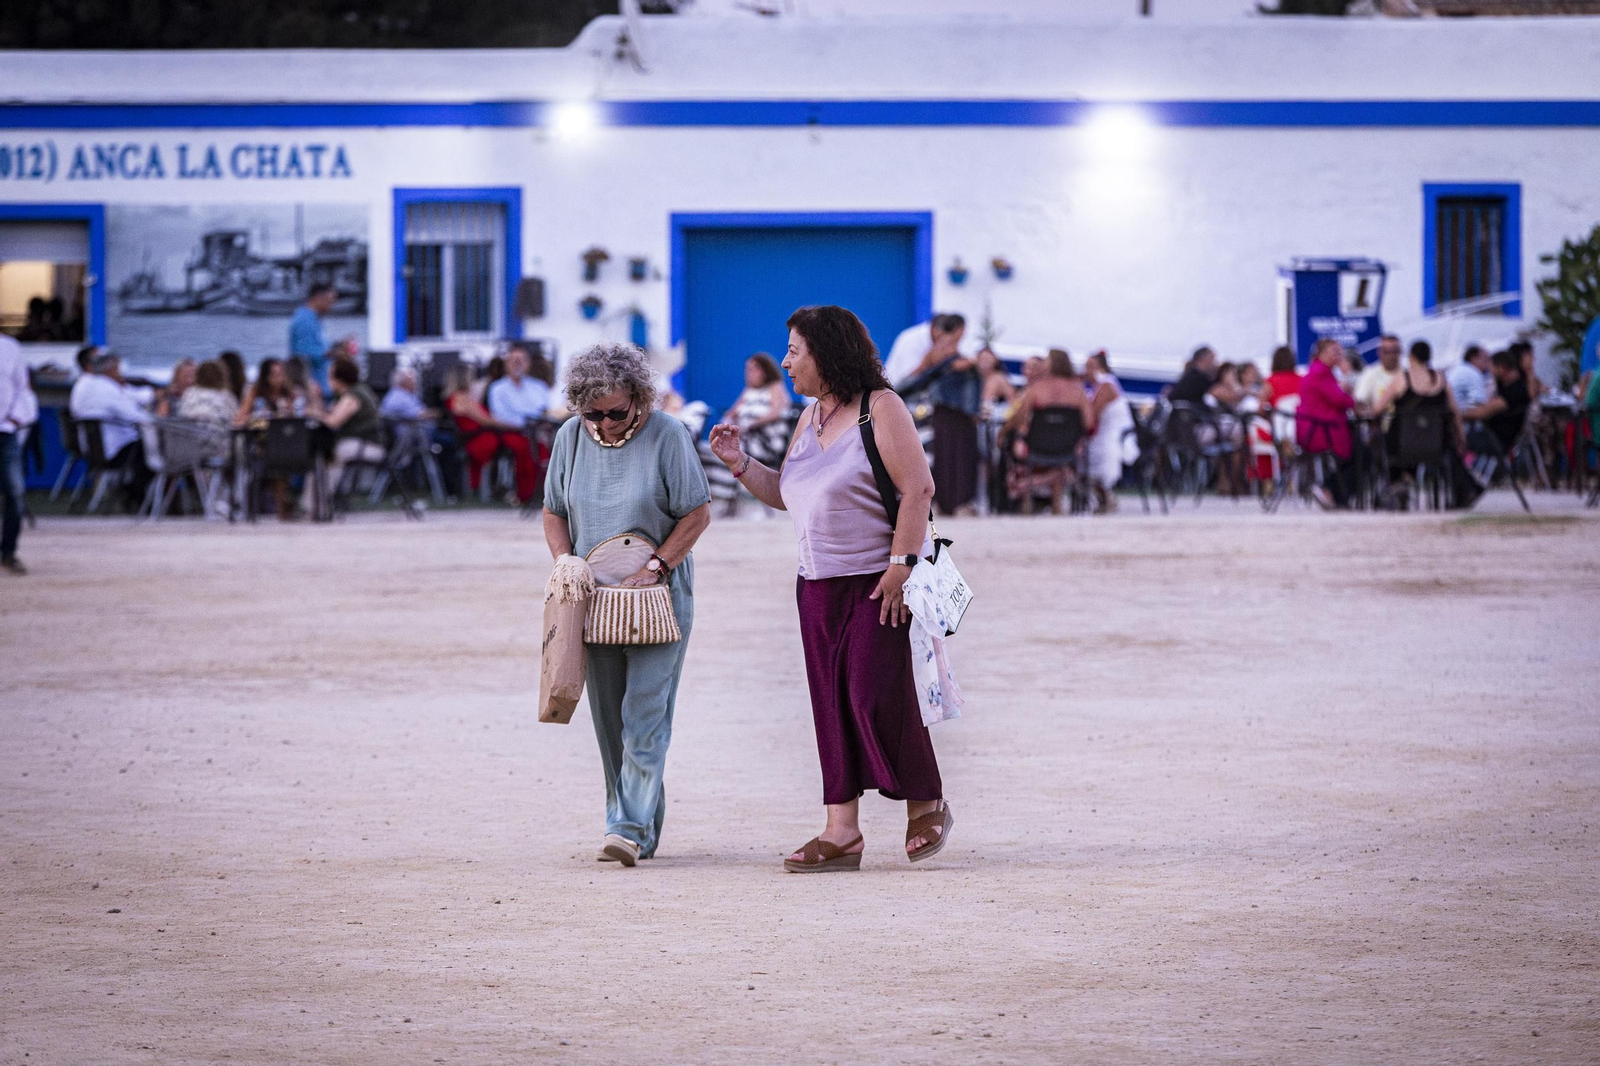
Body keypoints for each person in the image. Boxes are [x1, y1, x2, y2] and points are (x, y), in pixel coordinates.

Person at [708, 305, 951, 872]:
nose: (787, 362)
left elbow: (918, 489)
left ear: (827, 353)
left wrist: (901, 564)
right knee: (831, 705)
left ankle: (926, 801)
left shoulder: (880, 408)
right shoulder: (811, 415)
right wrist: (740, 464)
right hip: (815, 586)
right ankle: (842, 832)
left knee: (873, 693)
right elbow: (790, 493)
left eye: (795, 350)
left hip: (877, 580)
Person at [543, 343, 712, 867]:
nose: (606, 423)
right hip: (592, 599)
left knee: (645, 712)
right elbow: (553, 511)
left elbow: (697, 513)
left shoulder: (669, 434)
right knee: (608, 719)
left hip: (658, 597)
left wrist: (656, 568)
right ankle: (640, 826)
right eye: (593, 413)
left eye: (617, 412)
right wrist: (564, 559)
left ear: (639, 398)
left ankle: (626, 826)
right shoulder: (570, 437)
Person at [1011, 349, 1096, 515]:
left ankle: (1026, 499)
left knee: (1015, 448)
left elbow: (1020, 418)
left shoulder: (1036, 389)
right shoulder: (1078, 391)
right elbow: (1089, 424)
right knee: (1060, 459)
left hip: (1036, 446)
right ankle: (1057, 502)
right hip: (1068, 448)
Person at [68, 351, 155, 510]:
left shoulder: (86, 384)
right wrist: (157, 416)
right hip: (112, 452)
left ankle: (134, 495)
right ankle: (137, 498)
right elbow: (136, 417)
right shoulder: (107, 389)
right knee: (151, 450)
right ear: (109, 370)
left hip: (92, 449)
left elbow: (131, 397)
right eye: (117, 369)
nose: (120, 373)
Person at [1373, 337, 1464, 481]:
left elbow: (1377, 409)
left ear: (1411, 356)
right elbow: (1455, 411)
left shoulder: (1401, 378)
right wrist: (1461, 438)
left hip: (1402, 443)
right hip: (1437, 443)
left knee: (1387, 441)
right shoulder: (1441, 378)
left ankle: (1398, 481)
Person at [305, 358, 384, 512]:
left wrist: (314, 413)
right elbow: (329, 414)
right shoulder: (347, 394)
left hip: (369, 445)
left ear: (339, 378)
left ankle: (318, 505)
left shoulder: (354, 395)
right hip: (359, 443)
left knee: (330, 456)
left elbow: (333, 422)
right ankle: (312, 505)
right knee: (322, 455)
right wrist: (316, 402)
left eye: (330, 375)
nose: (328, 379)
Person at [1297, 338, 1358, 510]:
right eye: (1334, 352)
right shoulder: (1321, 373)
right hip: (1320, 430)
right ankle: (1330, 491)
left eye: (1340, 352)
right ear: (1322, 354)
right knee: (1361, 453)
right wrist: (1349, 378)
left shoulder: (1321, 372)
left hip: (1317, 428)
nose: (1339, 356)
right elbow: (1339, 399)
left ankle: (1335, 494)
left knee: (1359, 451)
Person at [0, 334, 37, 574]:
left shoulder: (9, 347)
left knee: (15, 492)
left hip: (5, 431)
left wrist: (14, 419)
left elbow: (22, 388)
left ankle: (8, 552)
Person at [723, 352, 792, 470]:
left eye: (754, 369)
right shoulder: (748, 391)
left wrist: (751, 425)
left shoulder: (775, 387)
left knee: (733, 451)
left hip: (766, 439)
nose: (749, 373)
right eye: (748, 369)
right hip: (743, 436)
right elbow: (731, 413)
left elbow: (777, 412)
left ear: (766, 371)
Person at [1084, 351, 1134, 513]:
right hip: (1104, 433)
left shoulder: (1106, 385)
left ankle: (1105, 495)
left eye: (1090, 366)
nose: (1085, 371)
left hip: (1114, 435)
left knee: (1089, 451)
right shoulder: (1100, 386)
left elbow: (1092, 413)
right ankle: (1103, 496)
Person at [883, 313, 969, 390]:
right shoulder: (912, 340)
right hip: (894, 390)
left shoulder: (938, 342)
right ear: (935, 329)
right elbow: (906, 382)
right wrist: (927, 362)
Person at [289, 282, 337, 399]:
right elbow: (303, 354)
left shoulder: (314, 320)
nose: (331, 306)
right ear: (318, 298)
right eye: (329, 301)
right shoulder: (304, 321)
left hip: (322, 387)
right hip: (313, 390)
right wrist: (335, 352)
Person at [175, 360, 239, 429]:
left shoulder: (189, 393)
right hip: (219, 437)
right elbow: (235, 420)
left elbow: (181, 415)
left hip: (190, 435)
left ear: (198, 376)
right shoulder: (227, 396)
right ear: (221, 376)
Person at [236, 358, 294, 424]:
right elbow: (240, 418)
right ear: (266, 376)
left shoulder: (288, 392)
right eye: (275, 375)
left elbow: (294, 417)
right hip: (260, 429)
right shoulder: (255, 392)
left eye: (281, 374)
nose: (279, 378)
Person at [1354, 335, 1402, 413]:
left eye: (1394, 351)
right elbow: (1360, 402)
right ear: (1379, 352)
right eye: (1387, 352)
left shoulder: (1407, 372)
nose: (1391, 356)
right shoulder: (1370, 373)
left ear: (1400, 351)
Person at [1447, 345, 1493, 411]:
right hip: (1461, 416)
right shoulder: (1473, 373)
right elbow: (1478, 405)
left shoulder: (1459, 369)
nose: (1488, 364)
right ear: (1473, 358)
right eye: (1485, 359)